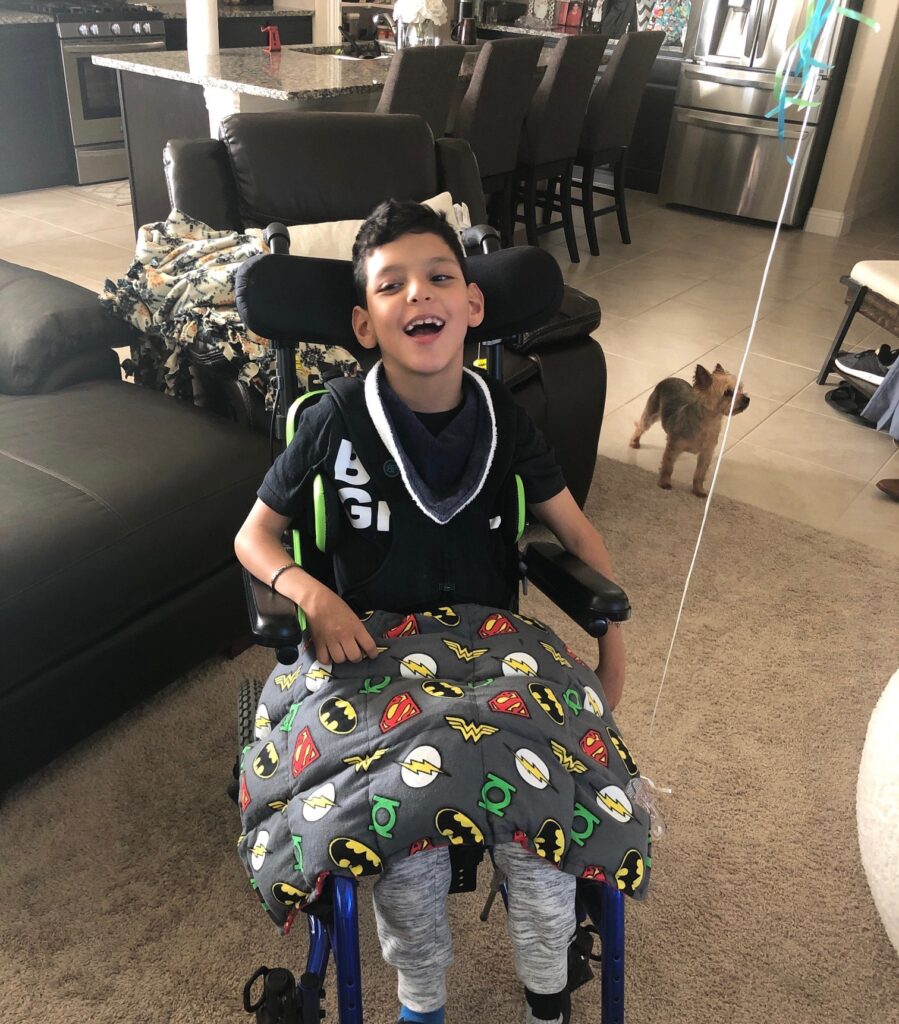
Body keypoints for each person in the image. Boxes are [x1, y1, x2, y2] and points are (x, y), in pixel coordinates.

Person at [234, 199, 627, 1024]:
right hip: (368, 651)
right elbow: (254, 540)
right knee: (402, 828)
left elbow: (576, 535)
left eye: (439, 277)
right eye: (392, 285)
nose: (420, 295)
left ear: (472, 305)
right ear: (365, 323)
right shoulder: (335, 418)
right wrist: (312, 593)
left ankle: (547, 990)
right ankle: (421, 1000)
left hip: (495, 648)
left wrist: (609, 649)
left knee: (546, 812)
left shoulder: (502, 415)